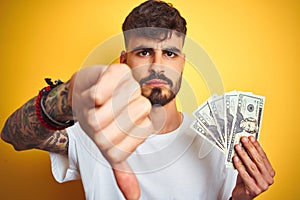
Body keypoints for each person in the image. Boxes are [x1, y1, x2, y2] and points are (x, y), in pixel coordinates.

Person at [1, 1, 274, 199]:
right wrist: (64, 98)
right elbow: (14, 136)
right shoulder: (94, 129)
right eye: (144, 52)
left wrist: (240, 197)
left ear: (183, 63)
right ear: (124, 61)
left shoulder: (216, 143)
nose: (158, 66)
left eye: (170, 54)